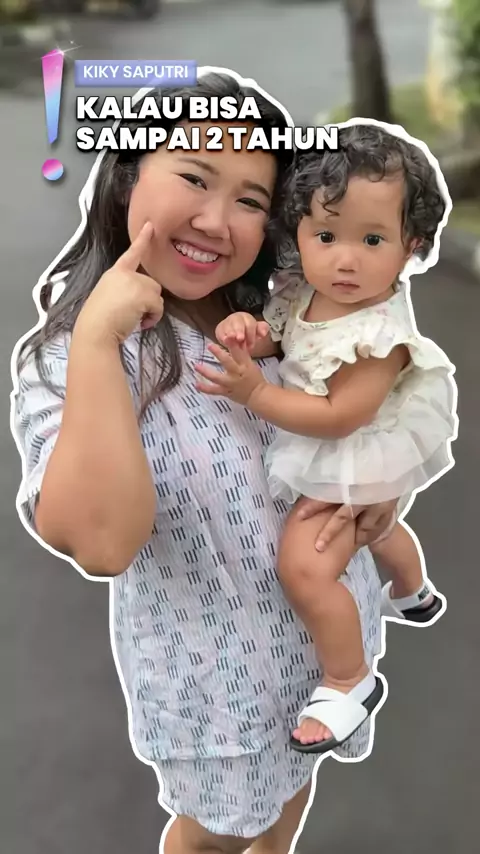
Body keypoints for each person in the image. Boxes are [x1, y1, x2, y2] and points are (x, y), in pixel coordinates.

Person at [12, 74, 397, 854]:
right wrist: (98, 341)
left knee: (290, 793)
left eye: (251, 200)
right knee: (215, 837)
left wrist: (381, 490)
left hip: (323, 649)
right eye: (193, 177)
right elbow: (100, 542)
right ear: (126, 178)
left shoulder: (282, 311)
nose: (217, 222)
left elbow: (361, 410)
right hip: (217, 689)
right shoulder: (67, 359)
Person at [195, 123, 457, 758]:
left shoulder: (378, 335)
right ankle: (413, 594)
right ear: (300, 232)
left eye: (373, 240)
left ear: (411, 245)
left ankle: (349, 680)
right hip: (347, 448)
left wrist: (255, 395)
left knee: (306, 566)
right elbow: (286, 336)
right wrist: (251, 334)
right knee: (377, 528)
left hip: (355, 445)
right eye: (326, 236)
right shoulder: (305, 289)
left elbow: (341, 415)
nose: (346, 260)